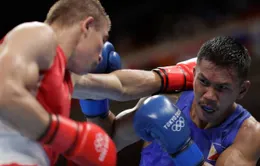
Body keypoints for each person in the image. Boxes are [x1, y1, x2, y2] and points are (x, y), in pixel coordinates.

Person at [80, 36, 260, 165]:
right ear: (194, 73)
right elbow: (105, 144)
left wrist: (183, 149)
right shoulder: (170, 102)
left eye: (222, 88)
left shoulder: (248, 133)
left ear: (242, 90)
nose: (209, 95)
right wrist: (95, 103)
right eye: (204, 82)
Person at [0, 0, 121, 166]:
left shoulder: (65, 76)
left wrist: (165, 78)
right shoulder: (39, 35)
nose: (101, 56)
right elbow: (4, 92)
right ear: (87, 26)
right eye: (103, 38)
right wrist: (72, 137)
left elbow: (120, 84)